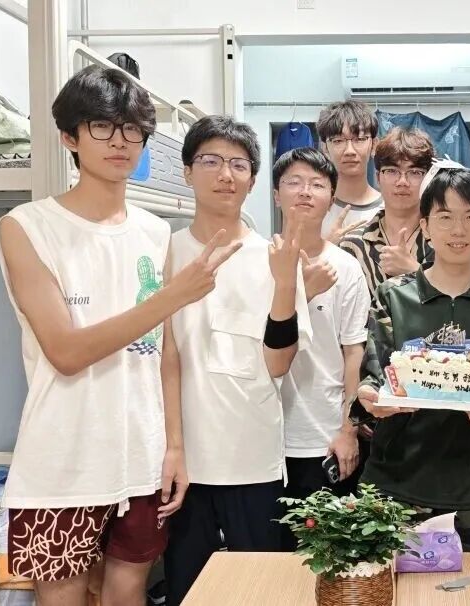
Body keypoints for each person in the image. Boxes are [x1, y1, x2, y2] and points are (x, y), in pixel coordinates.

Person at [0, 65, 232, 606]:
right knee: (62, 596)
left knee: (129, 590)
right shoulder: (26, 226)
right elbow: (65, 351)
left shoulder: (153, 231)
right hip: (62, 460)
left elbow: (164, 352)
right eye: (101, 127)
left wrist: (174, 446)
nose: (119, 142)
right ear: (69, 137)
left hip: (141, 455)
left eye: (132, 130)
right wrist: (172, 297)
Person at [162, 115, 312, 605]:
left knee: (260, 593)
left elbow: (278, 363)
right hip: (182, 464)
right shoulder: (164, 253)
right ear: (187, 171)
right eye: (210, 161)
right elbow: (160, 358)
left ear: (252, 179)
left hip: (254, 461)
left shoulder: (275, 255)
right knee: (188, 592)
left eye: (239, 164)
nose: (225, 174)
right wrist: (173, 447)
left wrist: (285, 283)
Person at [352, 162, 470, 551]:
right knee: (385, 580)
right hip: (391, 482)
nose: (458, 230)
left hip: (467, 488)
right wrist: (369, 399)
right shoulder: (393, 296)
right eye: (445, 217)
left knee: (459, 582)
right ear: (426, 225)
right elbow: (374, 374)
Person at [272, 148, 370, 539]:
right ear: (276, 194)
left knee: (326, 552)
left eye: (316, 184)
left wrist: (348, 430)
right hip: (264, 440)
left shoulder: (345, 267)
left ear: (331, 198)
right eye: (293, 182)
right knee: (268, 557)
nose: (304, 192)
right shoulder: (256, 260)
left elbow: (354, 353)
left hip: (324, 439)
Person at [338, 127, 435, 307]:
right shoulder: (352, 244)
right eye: (392, 171)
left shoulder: (445, 240)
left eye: (415, 172)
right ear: (378, 177)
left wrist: (415, 272)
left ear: (428, 179)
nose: (402, 182)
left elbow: (459, 305)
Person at [315, 100, 384, 243]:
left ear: (374, 145)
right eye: (338, 141)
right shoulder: (315, 208)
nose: (349, 151)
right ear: (325, 148)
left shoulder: (389, 208)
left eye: (359, 139)